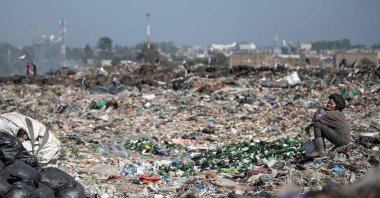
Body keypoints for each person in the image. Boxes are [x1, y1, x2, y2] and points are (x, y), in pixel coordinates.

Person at [305, 94, 351, 158]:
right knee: (330, 154)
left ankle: (320, 150)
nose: (328, 105)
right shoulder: (340, 113)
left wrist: (320, 108)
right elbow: (323, 125)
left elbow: (315, 119)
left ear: (337, 106)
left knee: (317, 125)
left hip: (341, 140)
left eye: (331, 104)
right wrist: (310, 125)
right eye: (328, 103)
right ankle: (329, 149)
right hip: (346, 140)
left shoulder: (330, 114)